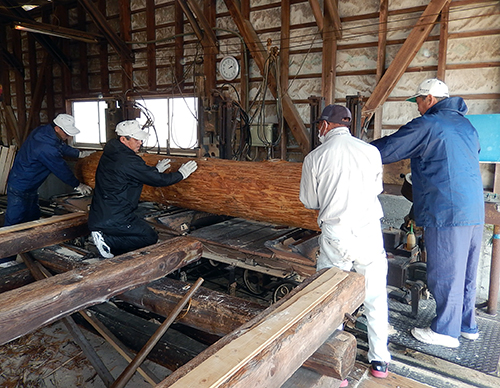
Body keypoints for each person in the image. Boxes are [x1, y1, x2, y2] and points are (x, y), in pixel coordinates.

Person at [371, 79, 484, 348]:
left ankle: (445, 331)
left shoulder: (429, 124)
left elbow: (390, 147)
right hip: (473, 208)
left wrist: (354, 150)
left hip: (446, 209)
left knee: (445, 271)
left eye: (419, 101)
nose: (418, 107)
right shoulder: (466, 126)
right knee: (466, 271)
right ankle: (467, 325)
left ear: (430, 99)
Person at [300, 104, 391, 379]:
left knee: (330, 298)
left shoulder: (315, 158)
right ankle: (379, 362)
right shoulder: (371, 152)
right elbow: (376, 189)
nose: (319, 129)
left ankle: (332, 365)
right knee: (375, 295)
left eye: (319, 125)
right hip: (368, 232)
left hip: (336, 233)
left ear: (326, 125)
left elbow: (309, 201)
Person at [88, 120, 198, 258]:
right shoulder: (127, 160)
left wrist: (153, 170)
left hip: (103, 212)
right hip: (116, 216)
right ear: (123, 139)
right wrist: (181, 174)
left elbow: (129, 174)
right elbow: (158, 181)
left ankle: (110, 248)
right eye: (136, 139)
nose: (140, 142)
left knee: (139, 235)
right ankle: (107, 241)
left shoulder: (112, 153)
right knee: (148, 237)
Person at [4, 113, 92, 229]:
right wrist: (77, 185)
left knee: (33, 216)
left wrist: (78, 153)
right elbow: (61, 169)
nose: (68, 137)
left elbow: (60, 146)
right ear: (57, 128)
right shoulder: (45, 148)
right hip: (21, 184)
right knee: (15, 219)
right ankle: (8, 244)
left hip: (31, 185)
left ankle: (32, 241)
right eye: (66, 133)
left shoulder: (45, 132)